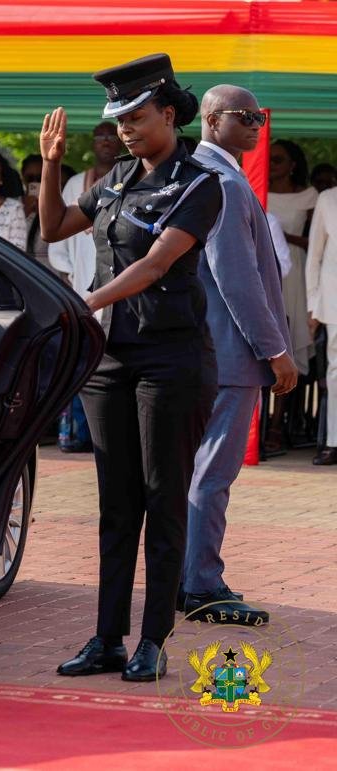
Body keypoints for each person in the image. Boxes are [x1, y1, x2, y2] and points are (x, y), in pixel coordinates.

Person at [40, 54, 222, 682]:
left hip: (170, 358)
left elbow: (153, 266)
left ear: (169, 114)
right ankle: (107, 638)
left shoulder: (200, 184)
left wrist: (82, 303)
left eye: (136, 117)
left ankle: (153, 639)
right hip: (110, 359)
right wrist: (50, 164)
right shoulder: (114, 178)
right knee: (116, 504)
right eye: (117, 118)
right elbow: (55, 225)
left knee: (161, 498)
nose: (123, 128)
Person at [181, 85, 295, 626]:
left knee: (199, 472)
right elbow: (237, 278)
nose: (255, 124)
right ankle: (201, 584)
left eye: (259, 116)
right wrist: (275, 350)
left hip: (212, 352)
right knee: (212, 474)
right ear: (210, 118)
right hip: (229, 354)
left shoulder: (206, 173)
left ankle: (190, 577)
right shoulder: (223, 180)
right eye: (243, 116)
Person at [49, 122, 122, 296]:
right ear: (93, 144)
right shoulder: (75, 183)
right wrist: (65, 268)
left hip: (121, 268)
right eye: (100, 137)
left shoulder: (132, 178)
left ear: (121, 141)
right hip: (82, 271)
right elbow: (58, 225)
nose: (105, 142)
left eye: (112, 137)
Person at [268, 139, 317, 377]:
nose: (271, 163)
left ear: (293, 165)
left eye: (278, 159)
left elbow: (319, 241)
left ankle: (284, 411)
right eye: (269, 158)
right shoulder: (255, 191)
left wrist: (282, 235)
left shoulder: (309, 196)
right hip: (265, 265)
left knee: (291, 334)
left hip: (295, 267)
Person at [307, 185, 337, 464]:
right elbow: (314, 255)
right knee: (335, 372)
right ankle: (333, 441)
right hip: (333, 300)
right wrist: (312, 303)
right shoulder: (328, 199)